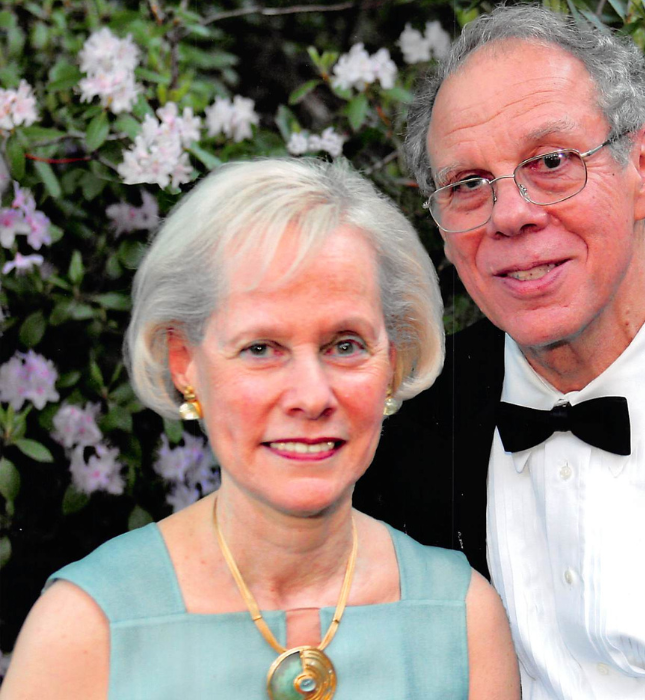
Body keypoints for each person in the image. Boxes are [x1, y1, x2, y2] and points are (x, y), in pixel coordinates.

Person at [355, 5, 645, 699]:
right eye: (467, 185)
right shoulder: (392, 437)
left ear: (642, 166)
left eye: (550, 162)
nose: (510, 213)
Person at [0, 158, 521, 700]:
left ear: (392, 361)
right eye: (260, 349)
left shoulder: (463, 616)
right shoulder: (85, 628)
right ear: (184, 361)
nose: (311, 396)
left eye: (345, 345)